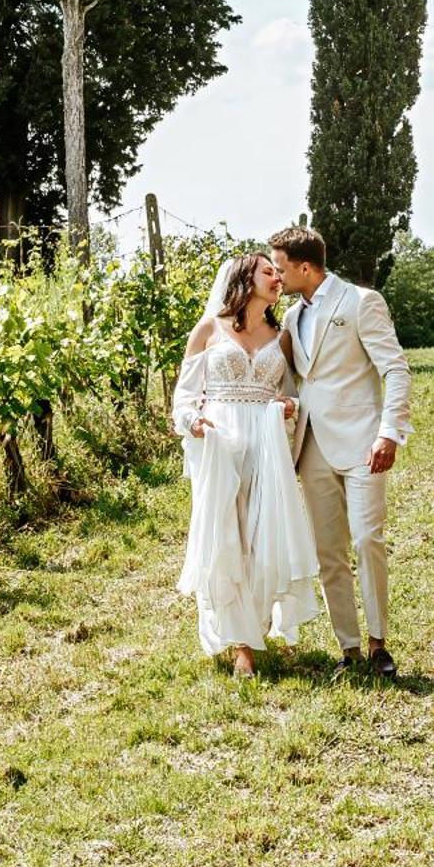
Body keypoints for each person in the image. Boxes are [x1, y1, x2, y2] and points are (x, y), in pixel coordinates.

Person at [270, 226, 412, 680]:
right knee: (328, 550)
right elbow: (296, 381)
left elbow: (395, 369)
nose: (276, 275)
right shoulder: (291, 319)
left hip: (363, 442)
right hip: (311, 447)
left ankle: (378, 644)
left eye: (281, 267)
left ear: (305, 267)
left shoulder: (360, 302)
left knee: (369, 539)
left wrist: (389, 433)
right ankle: (348, 647)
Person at [170, 253, 322, 677]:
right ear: (243, 278)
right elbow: (184, 395)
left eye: (278, 272)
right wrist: (192, 421)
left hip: (267, 440)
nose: (277, 277)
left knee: (263, 535)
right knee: (227, 534)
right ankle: (240, 644)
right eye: (268, 271)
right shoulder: (208, 329)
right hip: (220, 440)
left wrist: (289, 406)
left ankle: (255, 631)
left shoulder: (281, 334)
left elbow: (293, 391)